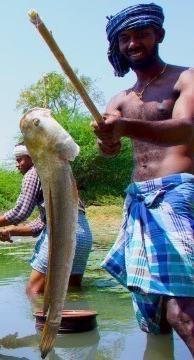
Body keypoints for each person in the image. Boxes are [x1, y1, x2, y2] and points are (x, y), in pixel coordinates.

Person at [91, 3, 194, 355]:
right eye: (125, 38)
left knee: (184, 310)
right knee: (152, 316)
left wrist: (125, 126)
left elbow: (186, 129)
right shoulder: (119, 99)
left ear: (159, 35)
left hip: (176, 196)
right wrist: (106, 138)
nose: (133, 43)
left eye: (141, 35)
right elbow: (111, 150)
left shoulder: (185, 78)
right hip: (137, 202)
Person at [0, 143, 93, 296]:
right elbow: (40, 223)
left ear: (32, 157)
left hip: (60, 235)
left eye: (20, 160)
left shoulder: (34, 171)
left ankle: (42, 321)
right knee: (71, 293)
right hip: (83, 235)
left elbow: (20, 212)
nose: (17, 165)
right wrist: (10, 232)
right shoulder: (58, 171)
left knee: (34, 291)